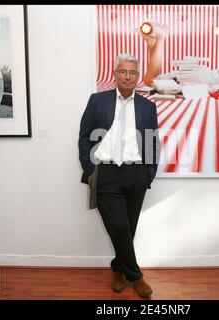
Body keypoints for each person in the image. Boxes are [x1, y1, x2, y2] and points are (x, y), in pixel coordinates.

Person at [78, 54, 160, 298]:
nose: (128, 76)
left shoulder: (148, 106)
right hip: (105, 173)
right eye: (123, 71)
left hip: (136, 174)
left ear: (138, 77)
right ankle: (136, 276)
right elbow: (84, 138)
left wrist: (149, 173)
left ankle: (118, 268)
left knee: (127, 229)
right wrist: (91, 170)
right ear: (115, 74)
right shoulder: (97, 100)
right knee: (120, 225)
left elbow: (153, 142)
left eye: (133, 73)